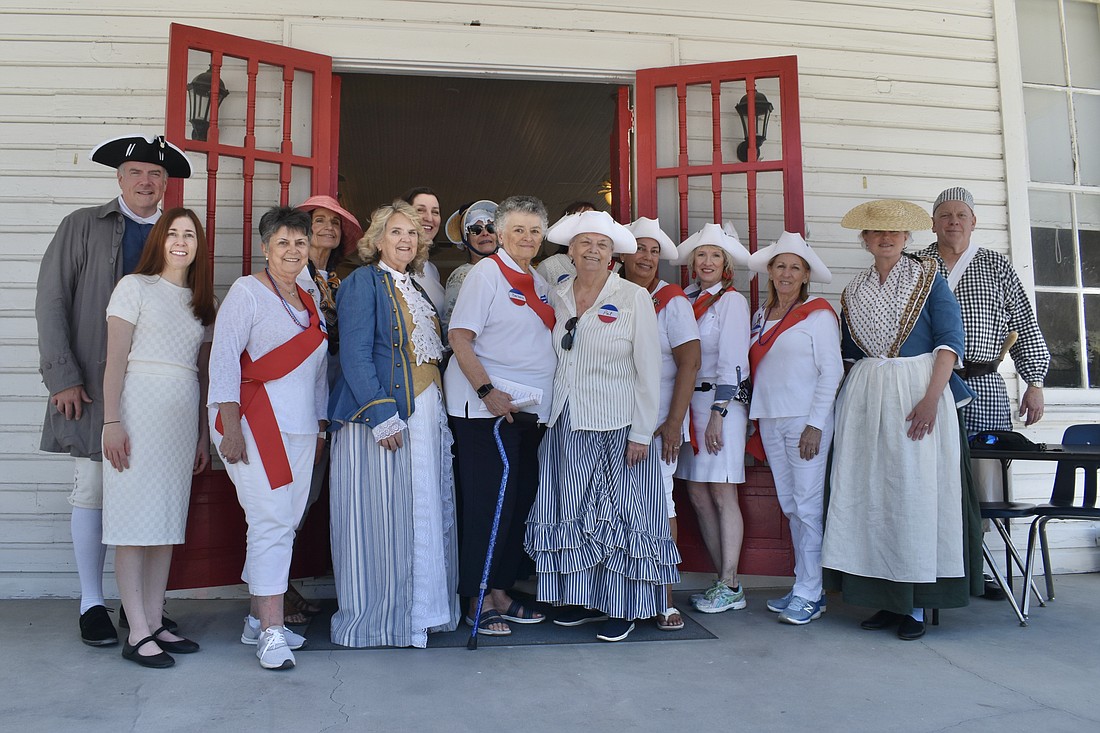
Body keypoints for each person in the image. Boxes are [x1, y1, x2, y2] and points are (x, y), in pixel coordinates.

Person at [35, 133, 191, 647]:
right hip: (90, 383)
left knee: (146, 496)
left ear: (165, 183)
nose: (146, 182)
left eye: (156, 174)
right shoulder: (83, 225)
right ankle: (91, 602)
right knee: (95, 489)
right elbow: (52, 300)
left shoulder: (174, 235)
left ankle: (141, 611)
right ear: (120, 178)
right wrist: (63, 377)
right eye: (136, 173)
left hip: (152, 393)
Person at [821, 199, 983, 641]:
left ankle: (913, 604)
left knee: (913, 495)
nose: (886, 239)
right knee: (874, 497)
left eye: (894, 233)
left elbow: (950, 341)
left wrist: (932, 398)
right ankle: (886, 600)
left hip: (916, 391)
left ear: (907, 238)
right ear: (866, 240)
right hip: (867, 398)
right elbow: (850, 354)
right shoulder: (853, 289)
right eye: (876, 234)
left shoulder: (930, 277)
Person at [525, 210, 679, 643]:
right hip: (566, 420)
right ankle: (583, 599)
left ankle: (625, 606)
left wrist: (642, 432)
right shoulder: (558, 293)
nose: (593, 250)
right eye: (585, 243)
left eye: (603, 244)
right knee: (572, 512)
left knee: (623, 514)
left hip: (618, 423)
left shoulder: (633, 297)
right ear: (570, 249)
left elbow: (649, 369)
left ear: (613, 254)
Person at [328, 200, 460, 648]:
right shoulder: (362, 282)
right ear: (377, 239)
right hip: (383, 416)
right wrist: (382, 414)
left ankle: (424, 611)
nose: (406, 239)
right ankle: (388, 619)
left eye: (412, 234)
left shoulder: (417, 288)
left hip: (426, 413)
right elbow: (355, 354)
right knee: (386, 517)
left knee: (422, 510)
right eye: (396, 232)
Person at [208, 207, 329, 670]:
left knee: (285, 520)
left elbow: (317, 369)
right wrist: (230, 426)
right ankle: (274, 631)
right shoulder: (246, 292)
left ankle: (256, 622)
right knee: (271, 522)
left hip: (300, 427)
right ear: (265, 248)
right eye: (283, 242)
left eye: (300, 242)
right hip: (255, 424)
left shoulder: (309, 295)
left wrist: (319, 425)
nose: (293, 250)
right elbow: (223, 359)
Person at [915, 187, 1050, 599]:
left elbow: (1024, 323)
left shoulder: (995, 265)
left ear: (973, 222)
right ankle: (935, 569)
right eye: (945, 215)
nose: (953, 222)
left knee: (985, 481)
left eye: (961, 215)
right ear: (934, 222)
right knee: (930, 475)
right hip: (929, 385)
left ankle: (981, 567)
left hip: (984, 383)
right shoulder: (917, 264)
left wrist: (1034, 381)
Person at [101, 208, 216, 667]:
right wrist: (112, 421)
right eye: (173, 233)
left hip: (182, 416)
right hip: (137, 409)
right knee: (133, 522)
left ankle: (154, 620)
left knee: (166, 523)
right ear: (159, 241)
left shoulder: (202, 302)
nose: (181, 241)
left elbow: (205, 376)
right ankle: (137, 631)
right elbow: (114, 360)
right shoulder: (134, 288)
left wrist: (203, 438)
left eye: (189, 234)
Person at [445, 195, 555, 636]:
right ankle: (477, 597)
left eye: (534, 231)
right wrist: (487, 391)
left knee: (517, 503)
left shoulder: (541, 281)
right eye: (518, 230)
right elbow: (459, 335)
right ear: (503, 234)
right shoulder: (485, 274)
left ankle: (502, 591)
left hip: (530, 413)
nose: (526, 238)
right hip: (485, 411)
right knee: (488, 505)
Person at [745, 232, 842, 626]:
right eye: (780, 266)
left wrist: (816, 425)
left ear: (805, 276)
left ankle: (810, 591)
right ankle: (805, 586)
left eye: (795, 268)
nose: (786, 273)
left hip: (805, 421)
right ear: (770, 271)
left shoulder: (818, 314)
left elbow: (831, 371)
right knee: (790, 505)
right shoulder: (759, 316)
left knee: (806, 505)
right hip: (770, 418)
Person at [280, 194, 362, 626]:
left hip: (329, 403)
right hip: (295, 405)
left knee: (307, 496)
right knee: (288, 497)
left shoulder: (334, 281)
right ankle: (272, 595)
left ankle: (280, 587)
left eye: (335, 222)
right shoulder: (290, 278)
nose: (327, 228)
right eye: (318, 220)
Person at [620, 216, 700, 631]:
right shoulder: (610, 293)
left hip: (656, 424)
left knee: (659, 504)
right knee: (617, 508)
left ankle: (664, 597)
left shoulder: (672, 301)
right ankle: (620, 595)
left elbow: (690, 363)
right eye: (640, 248)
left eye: (654, 251)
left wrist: (674, 423)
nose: (648, 257)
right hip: (613, 419)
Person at [673, 222, 752, 614]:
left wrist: (719, 414)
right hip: (689, 404)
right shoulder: (685, 299)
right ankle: (721, 579)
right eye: (701, 254)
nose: (707, 261)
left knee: (722, 491)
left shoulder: (731, 303)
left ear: (726, 266)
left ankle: (731, 581)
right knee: (697, 493)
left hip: (721, 406)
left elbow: (736, 362)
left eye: (715, 255)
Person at [441, 199, 499, 329]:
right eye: (475, 230)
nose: (485, 233)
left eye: (490, 228)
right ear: (465, 241)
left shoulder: (509, 270)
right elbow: (450, 325)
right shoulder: (461, 275)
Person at [401, 186, 447, 312]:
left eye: (435, 212)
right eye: (420, 210)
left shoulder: (432, 270)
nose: (429, 218)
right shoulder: (394, 265)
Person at [535, 201, 596, 286]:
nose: (587, 226)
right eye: (580, 220)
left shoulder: (609, 266)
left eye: (593, 221)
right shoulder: (549, 267)